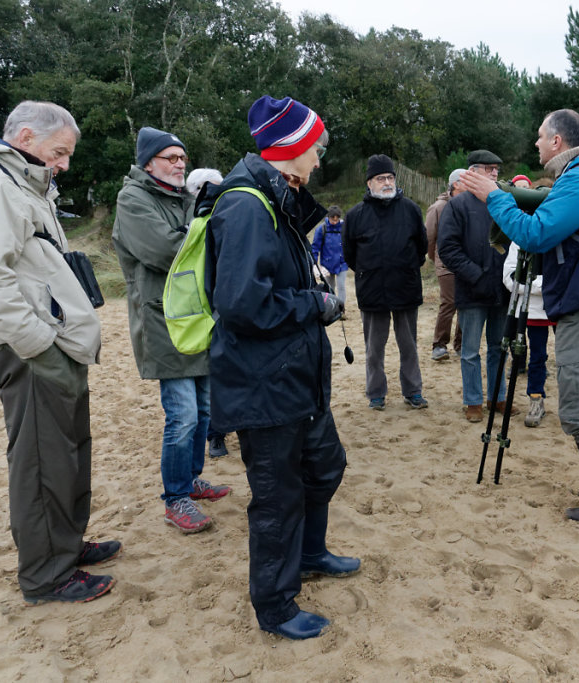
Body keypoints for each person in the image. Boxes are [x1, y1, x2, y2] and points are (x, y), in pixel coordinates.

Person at [203, 95, 360, 640]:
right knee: (276, 498)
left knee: (325, 467)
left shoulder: (281, 196)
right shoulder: (246, 205)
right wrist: (313, 305)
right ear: (290, 147)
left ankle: (311, 553)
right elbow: (242, 305)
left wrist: (307, 289)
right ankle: (275, 607)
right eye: (314, 147)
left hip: (295, 375)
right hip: (263, 382)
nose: (319, 158)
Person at [0, 101, 118, 604]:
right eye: (60, 152)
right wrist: (37, 343)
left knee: (66, 451)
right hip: (28, 349)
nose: (65, 163)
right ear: (26, 136)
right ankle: (48, 574)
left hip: (49, 343)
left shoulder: (21, 181)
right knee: (42, 461)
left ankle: (64, 545)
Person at [460, 109, 579, 528]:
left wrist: (495, 197)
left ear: (558, 141)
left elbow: (536, 233)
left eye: (540, 137)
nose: (535, 144)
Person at [113, 126, 231, 534]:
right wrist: (201, 234)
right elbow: (167, 250)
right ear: (149, 162)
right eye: (171, 158)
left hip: (195, 319)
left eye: (183, 158)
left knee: (202, 410)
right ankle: (175, 497)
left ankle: (191, 478)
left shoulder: (184, 198)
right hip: (161, 321)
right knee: (180, 416)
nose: (180, 164)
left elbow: (197, 243)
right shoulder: (133, 199)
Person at [342, 154, 429, 410]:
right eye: (381, 178)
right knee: (373, 349)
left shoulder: (411, 209)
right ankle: (376, 393)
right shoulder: (355, 215)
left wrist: (408, 267)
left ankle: (413, 391)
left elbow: (422, 246)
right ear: (369, 183)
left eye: (390, 177)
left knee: (409, 345)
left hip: (405, 287)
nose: (387, 182)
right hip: (372, 290)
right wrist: (368, 272)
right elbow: (349, 254)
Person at [439, 149, 513, 423]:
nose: (495, 173)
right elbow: (447, 248)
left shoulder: (504, 202)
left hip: (502, 289)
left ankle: (497, 397)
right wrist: (476, 275)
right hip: (472, 290)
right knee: (470, 350)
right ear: (473, 172)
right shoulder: (457, 206)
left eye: (497, 169)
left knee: (498, 347)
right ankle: (473, 401)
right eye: (489, 168)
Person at [185, 167, 231, 457]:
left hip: (227, 303)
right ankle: (216, 435)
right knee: (211, 379)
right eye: (213, 188)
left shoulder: (227, 215)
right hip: (201, 308)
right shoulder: (190, 220)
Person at [502, 241, 553, 427]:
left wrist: (534, 284)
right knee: (537, 356)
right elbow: (510, 279)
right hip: (531, 309)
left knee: (570, 356)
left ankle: (575, 403)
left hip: (563, 305)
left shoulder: (562, 228)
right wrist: (545, 285)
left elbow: (568, 274)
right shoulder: (521, 237)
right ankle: (536, 399)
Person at [425, 169, 465, 361]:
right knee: (449, 303)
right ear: (455, 184)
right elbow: (430, 238)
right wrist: (438, 259)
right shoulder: (438, 207)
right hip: (446, 264)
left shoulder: (469, 204)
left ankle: (461, 345)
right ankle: (439, 345)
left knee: (464, 303)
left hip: (465, 263)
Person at [310, 205, 349, 304]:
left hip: (342, 263)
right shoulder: (321, 229)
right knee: (330, 288)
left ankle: (341, 308)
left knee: (341, 286)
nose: (335, 222)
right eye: (333, 219)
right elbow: (315, 248)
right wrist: (314, 264)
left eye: (337, 219)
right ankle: (332, 308)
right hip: (327, 265)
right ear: (328, 217)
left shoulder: (344, 227)